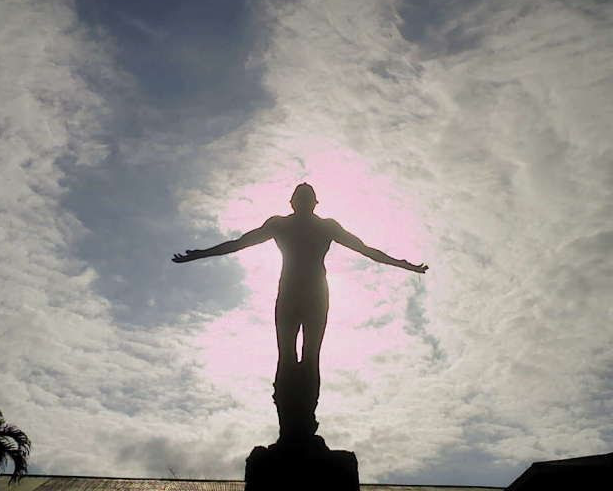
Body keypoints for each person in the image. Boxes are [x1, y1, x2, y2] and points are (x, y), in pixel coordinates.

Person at [172, 182, 427, 436]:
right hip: (292, 295)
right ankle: (289, 424)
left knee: (309, 356)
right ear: (293, 203)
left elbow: (366, 250)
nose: (303, 203)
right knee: (289, 356)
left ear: (313, 204)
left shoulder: (323, 226)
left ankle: (305, 421)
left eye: (306, 199)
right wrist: (201, 253)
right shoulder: (281, 224)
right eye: (300, 199)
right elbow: (239, 243)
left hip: (314, 296)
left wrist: (403, 264)